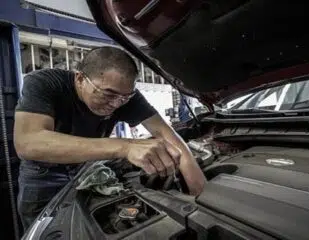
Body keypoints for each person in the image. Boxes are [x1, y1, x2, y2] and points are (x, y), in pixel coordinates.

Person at [14, 46, 206, 231]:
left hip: (88, 169)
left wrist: (200, 195)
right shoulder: (45, 83)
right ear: (80, 79)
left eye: (124, 98)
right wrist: (125, 147)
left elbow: (167, 134)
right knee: (43, 231)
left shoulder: (126, 97)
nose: (115, 104)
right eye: (108, 94)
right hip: (43, 175)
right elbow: (28, 142)